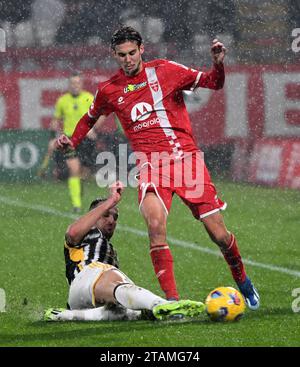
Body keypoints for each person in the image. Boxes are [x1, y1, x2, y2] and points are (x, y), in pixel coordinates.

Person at [56, 26, 260, 310]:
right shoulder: (109, 90)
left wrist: (218, 63)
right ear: (114, 55)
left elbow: (213, 82)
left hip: (187, 161)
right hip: (152, 166)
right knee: (155, 227)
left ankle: (243, 281)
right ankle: (172, 302)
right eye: (121, 55)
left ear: (142, 49)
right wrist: (73, 141)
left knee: (220, 236)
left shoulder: (166, 70)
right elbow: (89, 118)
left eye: (131, 53)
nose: (127, 59)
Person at [44, 181, 205, 322]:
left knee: (125, 309)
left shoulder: (108, 250)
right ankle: (163, 304)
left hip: (80, 300)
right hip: (86, 277)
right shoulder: (87, 233)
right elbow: (71, 233)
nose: (111, 220)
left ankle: (68, 316)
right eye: (105, 215)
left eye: (115, 217)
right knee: (122, 286)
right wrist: (111, 200)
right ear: (94, 216)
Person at [49, 72, 100, 212]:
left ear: (81, 84)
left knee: (84, 172)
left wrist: (93, 128)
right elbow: (55, 121)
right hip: (70, 139)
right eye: (72, 83)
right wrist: (53, 136)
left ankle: (78, 188)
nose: (75, 86)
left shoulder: (89, 98)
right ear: (69, 85)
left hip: (86, 139)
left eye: (77, 83)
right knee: (74, 169)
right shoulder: (62, 100)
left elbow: (101, 115)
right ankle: (76, 205)